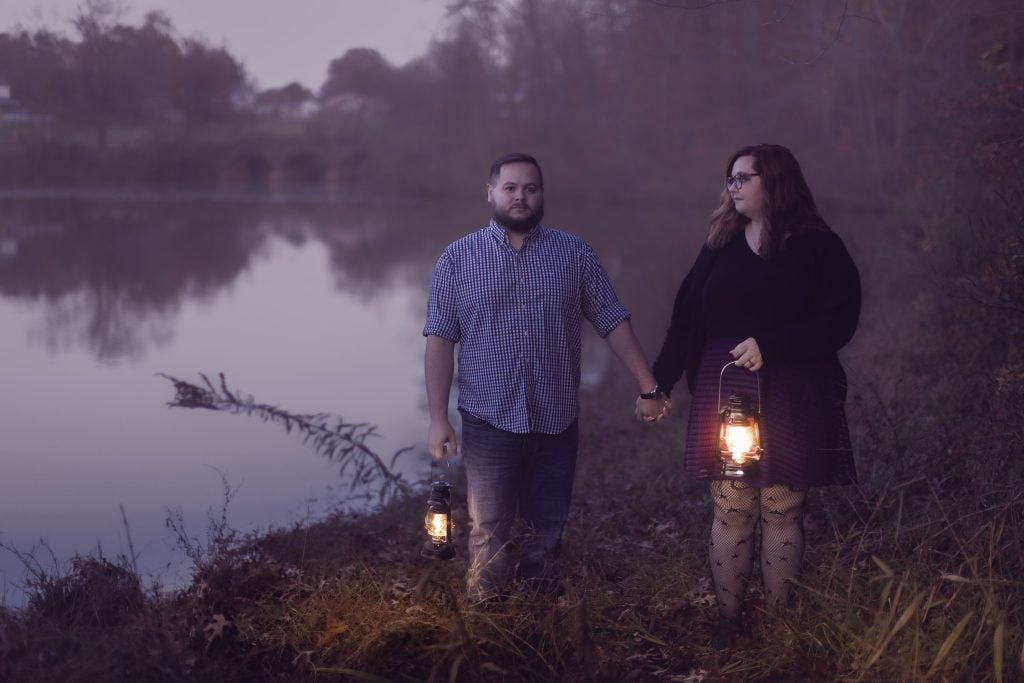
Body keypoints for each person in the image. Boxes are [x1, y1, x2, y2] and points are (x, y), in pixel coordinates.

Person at [424, 152, 669, 601]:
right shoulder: (457, 258)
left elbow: (612, 319)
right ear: (491, 192)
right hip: (488, 420)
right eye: (511, 187)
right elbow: (439, 339)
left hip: (556, 421)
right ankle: (489, 619)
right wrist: (438, 418)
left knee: (547, 531)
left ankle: (540, 617)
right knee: (488, 533)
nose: (521, 196)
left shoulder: (574, 254)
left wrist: (648, 385)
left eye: (531, 188)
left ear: (542, 194)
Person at [650, 144, 860, 647]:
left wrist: (775, 344)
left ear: (777, 181)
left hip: (793, 387)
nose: (734, 186)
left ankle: (779, 624)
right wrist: (657, 383)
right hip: (728, 388)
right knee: (732, 507)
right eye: (730, 178)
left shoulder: (818, 246)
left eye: (746, 177)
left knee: (782, 507)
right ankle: (728, 621)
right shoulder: (720, 243)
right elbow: (686, 317)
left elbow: (840, 320)